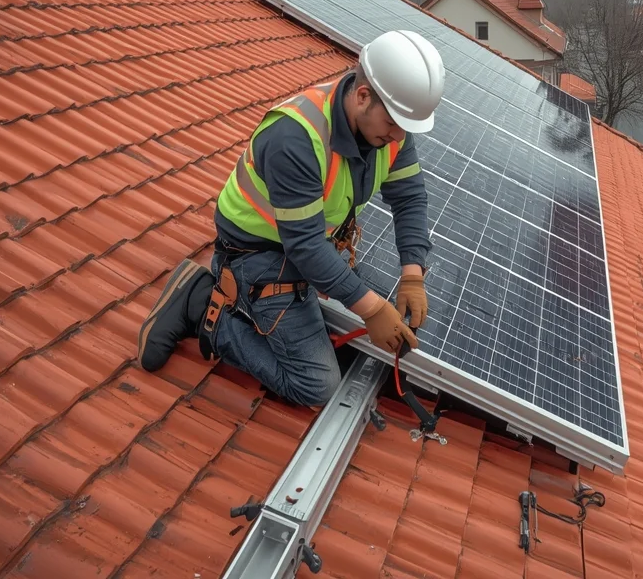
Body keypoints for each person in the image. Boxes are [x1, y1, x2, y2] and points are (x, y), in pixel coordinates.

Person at [136, 29, 446, 406]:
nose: (399, 136)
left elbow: (410, 197)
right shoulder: (296, 136)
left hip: (308, 244)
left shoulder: (390, 126)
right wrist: (372, 308)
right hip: (257, 254)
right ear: (363, 96)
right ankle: (201, 307)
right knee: (316, 383)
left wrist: (412, 273)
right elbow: (304, 245)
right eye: (394, 124)